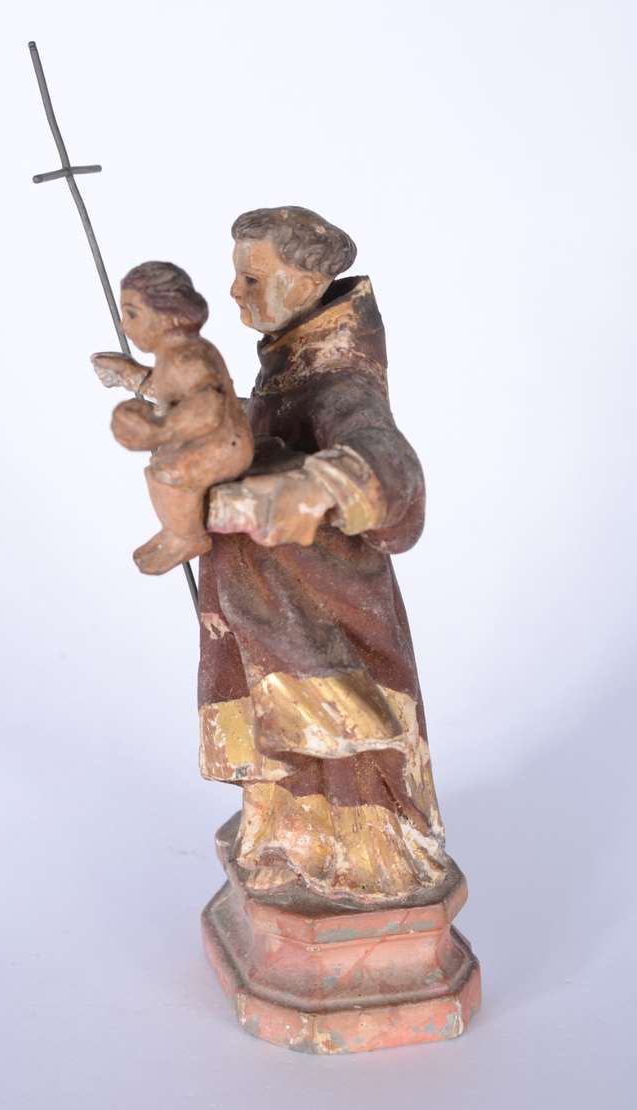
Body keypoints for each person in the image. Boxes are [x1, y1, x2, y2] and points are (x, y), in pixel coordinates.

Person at [197, 206, 449, 903]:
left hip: (325, 607)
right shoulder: (291, 360)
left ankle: (367, 864)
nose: (234, 292)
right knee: (285, 730)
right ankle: (289, 843)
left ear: (308, 284)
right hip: (272, 601)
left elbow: (389, 466)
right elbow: (255, 431)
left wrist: (315, 486)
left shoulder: (339, 379)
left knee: (340, 737)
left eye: (252, 278)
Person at [91, 262, 253, 575]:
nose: (124, 326)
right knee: (160, 468)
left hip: (224, 446)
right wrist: (130, 374)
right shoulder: (173, 355)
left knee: (168, 473)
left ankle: (187, 537)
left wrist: (161, 429)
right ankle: (176, 529)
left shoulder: (187, 357)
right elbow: (173, 393)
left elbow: (208, 406)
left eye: (132, 314)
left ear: (168, 316)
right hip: (211, 440)